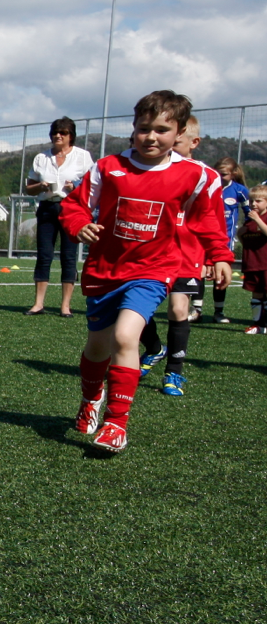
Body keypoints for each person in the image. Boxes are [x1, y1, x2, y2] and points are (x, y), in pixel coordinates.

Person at [59, 91, 232, 452]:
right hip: (104, 270)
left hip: (153, 270)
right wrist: (79, 225)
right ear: (133, 128)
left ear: (180, 133)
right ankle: (91, 398)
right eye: (143, 128)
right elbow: (75, 205)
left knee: (126, 337)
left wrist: (219, 255)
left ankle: (116, 424)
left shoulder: (197, 175)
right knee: (97, 346)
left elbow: (208, 220)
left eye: (162, 130)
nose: (151, 137)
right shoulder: (108, 167)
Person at [137, 115, 221, 395]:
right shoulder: (153, 170)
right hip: (153, 253)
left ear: (193, 142)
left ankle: (174, 372)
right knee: (134, 307)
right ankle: (154, 348)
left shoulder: (206, 176)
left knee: (178, 309)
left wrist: (213, 257)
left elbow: (213, 219)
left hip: (188, 253)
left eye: (177, 142)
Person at [25, 118, 93, 316]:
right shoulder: (41, 158)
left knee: (68, 256)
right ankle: (38, 303)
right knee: (44, 255)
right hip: (47, 207)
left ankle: (65, 306)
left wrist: (76, 186)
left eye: (63, 133)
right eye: (55, 132)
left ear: (71, 135)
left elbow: (92, 184)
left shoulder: (82, 156)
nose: (58, 136)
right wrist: (41, 186)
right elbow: (29, 188)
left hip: (71, 209)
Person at [209, 158, 250, 323]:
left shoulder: (240, 190)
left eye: (224, 174)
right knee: (200, 272)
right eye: (217, 173)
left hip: (225, 240)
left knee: (220, 275)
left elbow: (250, 214)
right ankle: (196, 309)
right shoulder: (208, 187)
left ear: (233, 174)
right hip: (205, 238)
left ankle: (218, 312)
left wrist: (247, 230)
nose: (220, 177)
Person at [239, 184, 267, 334]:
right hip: (252, 263)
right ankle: (258, 324)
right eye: (251, 201)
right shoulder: (249, 219)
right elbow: (245, 238)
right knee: (256, 294)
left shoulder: (260, 218)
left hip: (265, 263)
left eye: (258, 201)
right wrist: (240, 233)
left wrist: (258, 220)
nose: (254, 204)